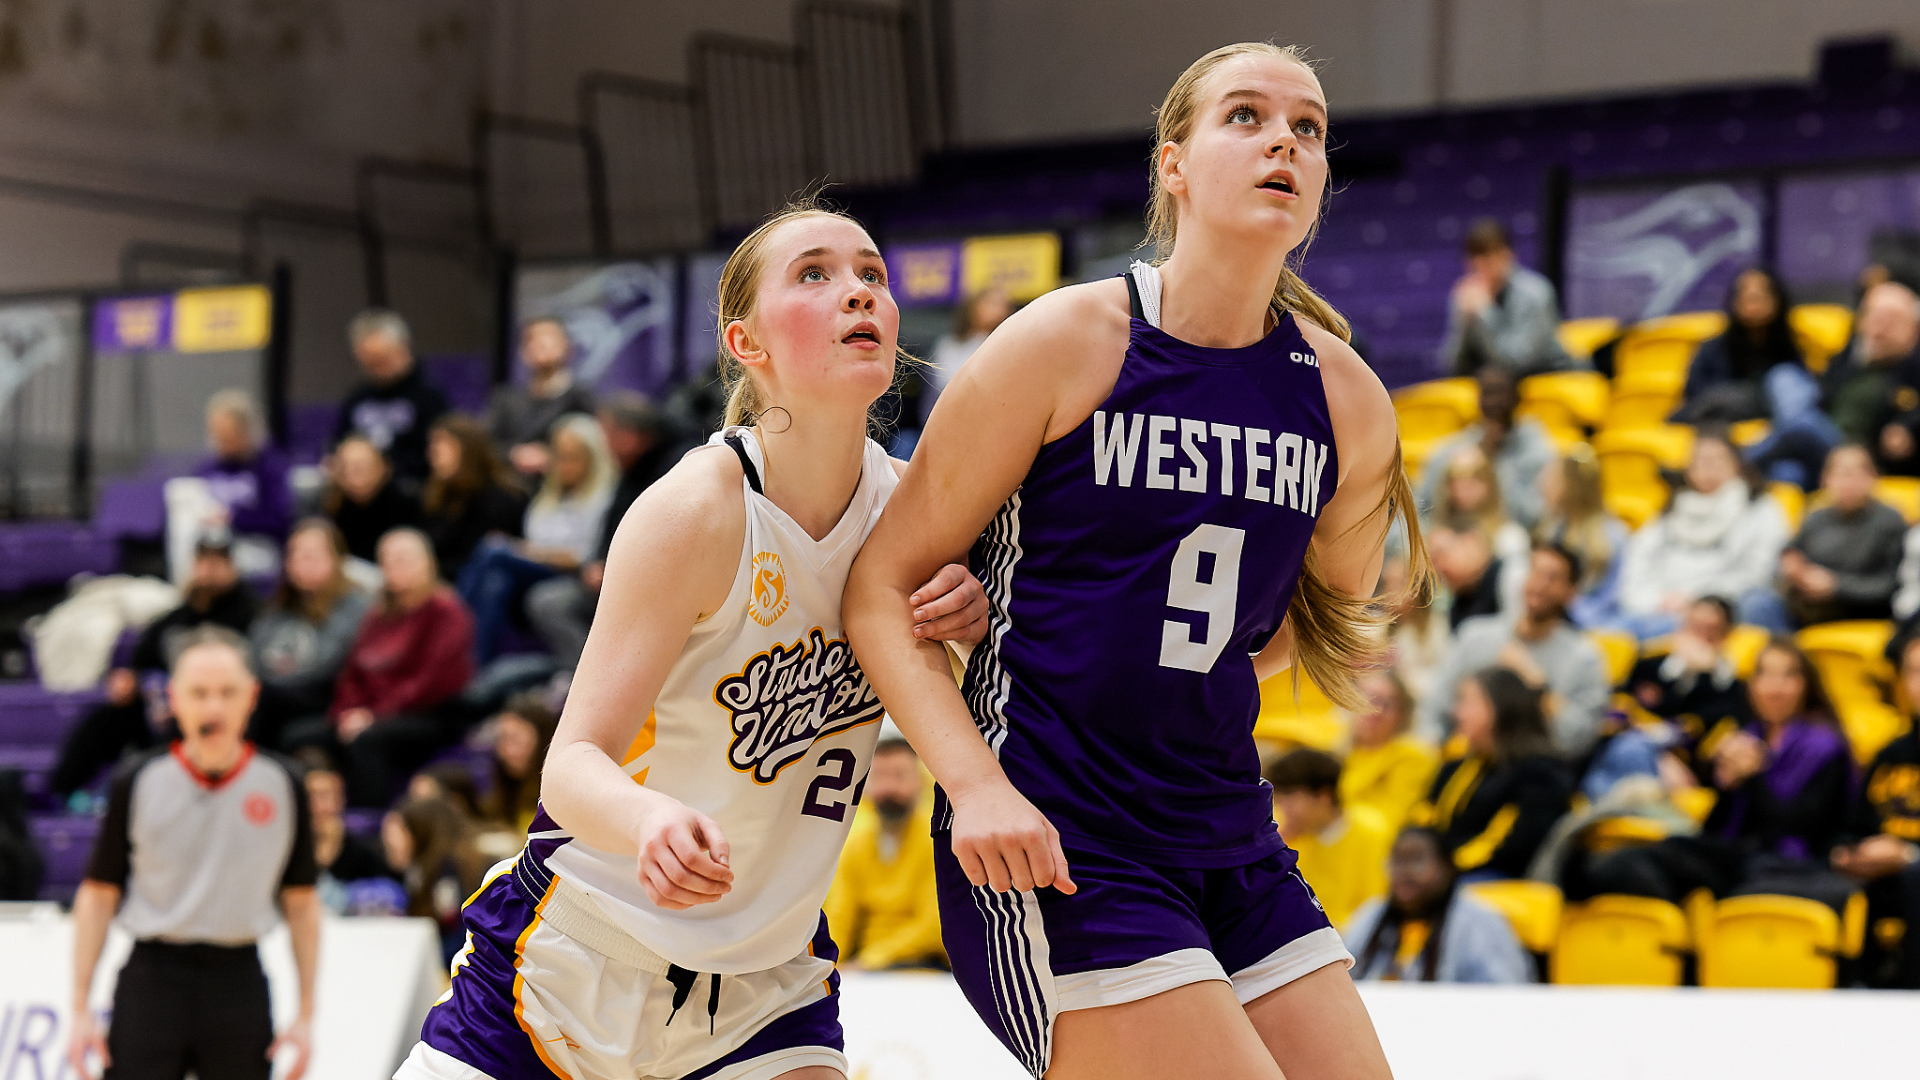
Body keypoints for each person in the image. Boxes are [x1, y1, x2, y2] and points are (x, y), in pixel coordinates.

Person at [845, 43, 1422, 1080]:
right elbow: (880, 590)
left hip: (1229, 833)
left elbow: (1319, 622)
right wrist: (974, 784)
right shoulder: (1066, 340)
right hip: (1053, 831)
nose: (1285, 142)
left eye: (1309, 128)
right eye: (1246, 116)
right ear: (1174, 165)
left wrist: (1151, 660)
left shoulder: (1346, 399)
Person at [396, 201, 989, 1080]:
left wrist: (975, 628)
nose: (859, 291)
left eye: (872, 274)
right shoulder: (697, 510)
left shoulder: (915, 516)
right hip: (575, 965)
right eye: (816, 274)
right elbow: (571, 765)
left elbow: (1005, 704)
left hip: (768, 987)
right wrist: (649, 820)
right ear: (746, 343)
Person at [65, 627, 318, 1080]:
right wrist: (80, 1008)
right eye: (199, 693)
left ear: (251, 696)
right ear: (174, 698)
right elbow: (99, 893)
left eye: (227, 692)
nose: (213, 708)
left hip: (239, 981)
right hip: (151, 980)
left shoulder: (284, 783)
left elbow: (301, 902)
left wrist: (305, 1014)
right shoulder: (137, 780)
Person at [1581, 640, 1855, 910]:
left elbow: (1802, 827)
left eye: (1788, 676)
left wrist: (1752, 778)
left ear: (1807, 684)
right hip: (1736, 857)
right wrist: (1726, 784)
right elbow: (1718, 829)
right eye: (1764, 675)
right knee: (1620, 864)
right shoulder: (1748, 735)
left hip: (1788, 865)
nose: (1774, 688)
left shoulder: (1825, 747)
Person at [51, 532, 258, 801]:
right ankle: (60, 792)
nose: (210, 569)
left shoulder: (252, 617)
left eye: (219, 561)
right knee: (109, 717)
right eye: (204, 560)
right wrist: (129, 680)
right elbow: (140, 663)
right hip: (168, 706)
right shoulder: (175, 619)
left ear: (232, 567)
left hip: (225, 710)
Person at [284, 529, 474, 808]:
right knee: (298, 736)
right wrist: (347, 711)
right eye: (387, 560)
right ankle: (306, 811)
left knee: (366, 740)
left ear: (428, 563)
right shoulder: (379, 613)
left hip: (429, 715)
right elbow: (353, 672)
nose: (394, 567)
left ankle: (366, 818)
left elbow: (430, 683)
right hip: (370, 713)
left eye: (403, 559)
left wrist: (373, 715)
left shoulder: (446, 612)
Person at [525, 392, 693, 669]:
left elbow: (668, 539)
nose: (604, 446)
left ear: (629, 437)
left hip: (654, 582)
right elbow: (612, 525)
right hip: (611, 576)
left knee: (544, 598)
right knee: (539, 596)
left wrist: (613, 568)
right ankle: (582, 674)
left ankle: (593, 677)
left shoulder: (678, 468)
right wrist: (597, 561)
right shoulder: (630, 469)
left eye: (607, 435)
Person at [1416, 544, 1610, 757]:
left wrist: (1537, 686)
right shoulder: (1476, 636)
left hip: (1533, 768)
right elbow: (1435, 708)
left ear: (1571, 592)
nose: (1539, 584)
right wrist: (1427, 751)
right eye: (1534, 571)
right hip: (1466, 760)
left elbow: (1577, 741)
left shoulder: (1583, 659)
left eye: (1552, 577)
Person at [458, 413, 616, 663]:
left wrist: (526, 552)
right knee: (495, 582)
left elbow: (582, 558)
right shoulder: (547, 496)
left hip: (572, 574)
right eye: (558, 456)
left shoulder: (603, 500)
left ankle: (454, 622)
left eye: (572, 457)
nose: (563, 465)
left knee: (495, 551)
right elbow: (532, 539)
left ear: (592, 459)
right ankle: (475, 665)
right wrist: (527, 552)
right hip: (535, 569)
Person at [1614, 430, 1791, 639]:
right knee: (1615, 628)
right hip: (1662, 610)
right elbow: (1637, 567)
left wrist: (1700, 601)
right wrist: (1656, 601)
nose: (1708, 468)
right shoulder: (1669, 510)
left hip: (1726, 606)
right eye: (1700, 460)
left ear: (1737, 464)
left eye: (1717, 460)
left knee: (1757, 603)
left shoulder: (1761, 508)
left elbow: (1760, 572)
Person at [1412, 668, 1572, 879]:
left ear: (1501, 707)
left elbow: (1510, 849)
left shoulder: (1540, 773)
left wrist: (1443, 867)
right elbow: (1426, 814)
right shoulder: (1461, 763)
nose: (1457, 713)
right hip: (1444, 871)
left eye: (1467, 702)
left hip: (1495, 880)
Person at [1833, 635, 1920, 988]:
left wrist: (1909, 855)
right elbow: (1852, 827)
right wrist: (1848, 854)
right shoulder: (1890, 755)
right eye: (1914, 671)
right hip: (1881, 879)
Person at [1342, 827, 1531, 983]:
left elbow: (1505, 994)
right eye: (1397, 861)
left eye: (1416, 860)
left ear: (1446, 868)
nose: (1404, 872)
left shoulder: (1480, 922)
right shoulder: (1372, 915)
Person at [822, 735, 946, 970]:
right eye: (879, 777)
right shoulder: (856, 843)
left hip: (922, 964)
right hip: (863, 967)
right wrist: (826, 966)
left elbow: (934, 925)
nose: (889, 788)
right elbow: (840, 916)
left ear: (920, 781)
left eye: (899, 776)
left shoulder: (938, 843)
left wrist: (869, 961)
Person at [1749, 444, 1905, 631]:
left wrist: (1836, 586)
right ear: (1825, 479)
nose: (1848, 482)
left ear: (1873, 476)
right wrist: (1792, 565)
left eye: (1856, 473)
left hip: (1861, 610)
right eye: (1840, 473)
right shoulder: (1816, 517)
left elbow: (1892, 585)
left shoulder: (1889, 521)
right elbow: (1791, 551)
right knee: (1758, 601)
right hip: (1805, 605)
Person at [248, 519, 373, 749]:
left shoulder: (356, 606)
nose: (301, 563)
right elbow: (254, 652)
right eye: (294, 555)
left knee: (262, 697)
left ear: (337, 559)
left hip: (324, 698)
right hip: (276, 694)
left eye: (311, 555)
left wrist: (279, 678)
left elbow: (331, 666)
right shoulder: (280, 605)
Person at [166, 389, 292, 585]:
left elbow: (278, 519)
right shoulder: (207, 469)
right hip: (210, 544)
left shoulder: (269, 467)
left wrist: (233, 518)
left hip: (255, 546)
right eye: (216, 434)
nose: (220, 441)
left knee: (219, 560)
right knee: (182, 499)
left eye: (227, 434)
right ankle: (182, 585)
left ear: (247, 431)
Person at [1416, 366, 1557, 530]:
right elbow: (1424, 504)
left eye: (1501, 393)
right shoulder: (1457, 446)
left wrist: (1493, 457)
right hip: (1458, 533)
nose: (1494, 402)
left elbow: (1532, 516)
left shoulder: (1536, 449)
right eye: (1488, 394)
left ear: (1517, 398)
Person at [1267, 750, 1393, 929]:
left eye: (1290, 800)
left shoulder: (1373, 832)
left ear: (1323, 796)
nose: (1283, 810)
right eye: (1279, 801)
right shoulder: (1290, 838)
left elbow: (1377, 906)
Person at [1438, 218, 1574, 379]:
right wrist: (1464, 319)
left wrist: (1485, 312)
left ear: (1509, 254)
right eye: (1476, 258)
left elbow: (1517, 361)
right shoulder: (1468, 294)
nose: (1482, 265)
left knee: (1494, 381)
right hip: (1496, 374)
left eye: (1490, 255)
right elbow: (1452, 365)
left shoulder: (1535, 292)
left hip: (1546, 370)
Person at [332, 309, 448, 484]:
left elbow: (437, 456)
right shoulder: (357, 398)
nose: (375, 369)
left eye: (381, 360)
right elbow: (338, 445)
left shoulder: (430, 398)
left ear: (403, 348)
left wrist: (383, 469)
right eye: (368, 362)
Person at [1621, 596, 1747, 751]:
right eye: (1695, 627)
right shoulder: (1650, 661)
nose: (1699, 639)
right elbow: (1621, 702)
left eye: (1710, 631)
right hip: (1632, 741)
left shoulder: (1728, 683)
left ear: (1726, 635)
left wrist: (1704, 672)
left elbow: (1705, 729)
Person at [1822, 281, 1920, 475]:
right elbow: (1822, 399)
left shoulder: (1913, 369)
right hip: (1827, 450)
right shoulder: (1848, 359)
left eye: (1893, 320)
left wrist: (1908, 427)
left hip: (1870, 458)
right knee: (1788, 472)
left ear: (1914, 328)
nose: (1882, 328)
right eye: (1875, 318)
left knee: (1800, 425)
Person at [487, 317, 599, 478]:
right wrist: (514, 454)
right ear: (522, 351)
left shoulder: (581, 398)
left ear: (569, 348)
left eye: (549, 337)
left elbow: (593, 449)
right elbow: (487, 444)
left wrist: (552, 456)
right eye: (531, 338)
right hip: (513, 482)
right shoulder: (506, 399)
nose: (541, 343)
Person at [420, 415, 527, 582]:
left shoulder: (502, 501)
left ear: (468, 451)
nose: (433, 453)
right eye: (432, 445)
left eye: (443, 444)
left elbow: (480, 562)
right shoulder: (437, 498)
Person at [385, 792, 488, 963]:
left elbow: (459, 940)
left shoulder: (449, 874)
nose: (390, 839)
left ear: (421, 832)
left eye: (403, 829)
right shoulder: (418, 873)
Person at [1533, 444, 1629, 627]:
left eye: (1551, 479)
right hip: (1552, 622)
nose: (1541, 485)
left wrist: (1572, 611)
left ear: (1570, 486)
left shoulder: (1611, 537)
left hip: (1593, 624)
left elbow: (1611, 599)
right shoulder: (1550, 530)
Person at [1426, 443, 1528, 610]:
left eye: (1474, 480)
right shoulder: (1435, 533)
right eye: (1455, 481)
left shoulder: (1509, 536)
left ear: (1490, 484)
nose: (1462, 488)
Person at [1340, 671, 1439, 833]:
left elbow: (1391, 818)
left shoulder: (1412, 756)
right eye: (1365, 699)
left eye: (1385, 704)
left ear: (1402, 713)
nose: (1373, 711)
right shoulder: (1340, 748)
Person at [304, 760, 394, 915]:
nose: (319, 806)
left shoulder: (367, 857)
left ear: (341, 799)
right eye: (311, 796)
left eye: (326, 795)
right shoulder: (282, 851)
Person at [321, 434, 420, 570]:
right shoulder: (331, 507)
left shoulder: (407, 505)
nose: (353, 475)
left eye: (361, 467)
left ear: (383, 466)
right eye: (345, 468)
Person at [920, 287, 1013, 425]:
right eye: (991, 303)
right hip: (948, 420)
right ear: (973, 307)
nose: (999, 310)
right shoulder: (948, 345)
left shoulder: (1009, 346)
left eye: (1003, 304)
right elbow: (945, 386)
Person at [474, 692, 556, 839]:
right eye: (501, 740)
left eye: (515, 740)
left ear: (543, 739)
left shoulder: (560, 795)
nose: (506, 751)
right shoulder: (499, 798)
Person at [1429, 526, 1504, 632]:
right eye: (1433, 562)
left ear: (1471, 541)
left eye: (1441, 554)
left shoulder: (1510, 577)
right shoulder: (1456, 611)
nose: (1439, 568)